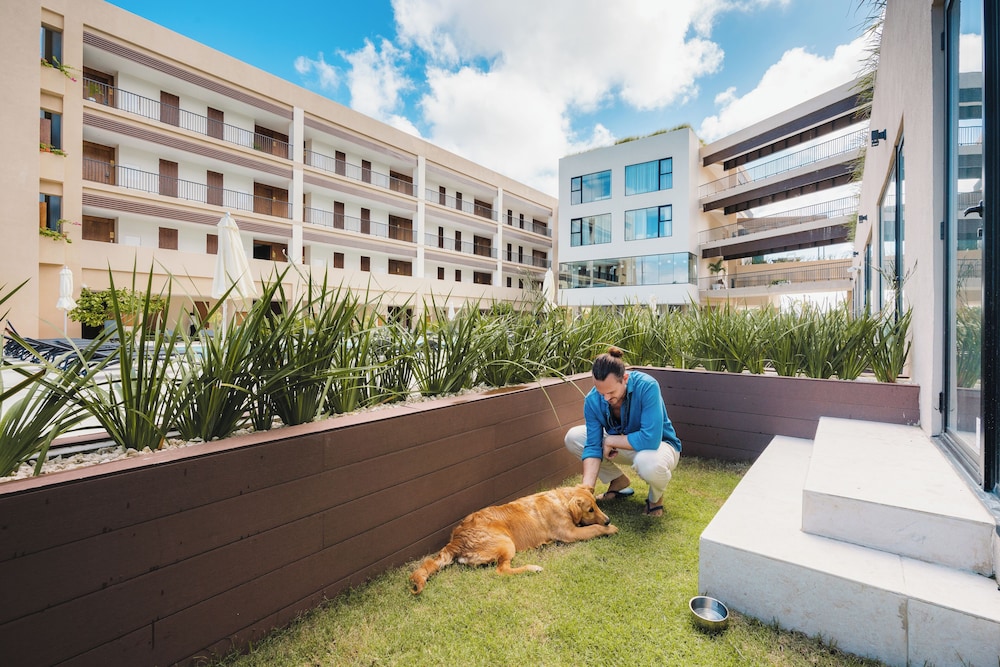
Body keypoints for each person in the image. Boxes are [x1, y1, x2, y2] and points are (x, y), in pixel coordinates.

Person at [564, 346, 682, 517]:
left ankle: (655, 498)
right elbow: (592, 446)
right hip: (625, 445)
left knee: (648, 463)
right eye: (600, 392)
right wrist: (586, 491)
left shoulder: (648, 386)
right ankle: (618, 480)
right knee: (573, 437)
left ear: (625, 378)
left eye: (611, 392)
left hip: (660, 447)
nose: (606, 398)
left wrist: (610, 441)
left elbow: (650, 439)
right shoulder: (592, 400)